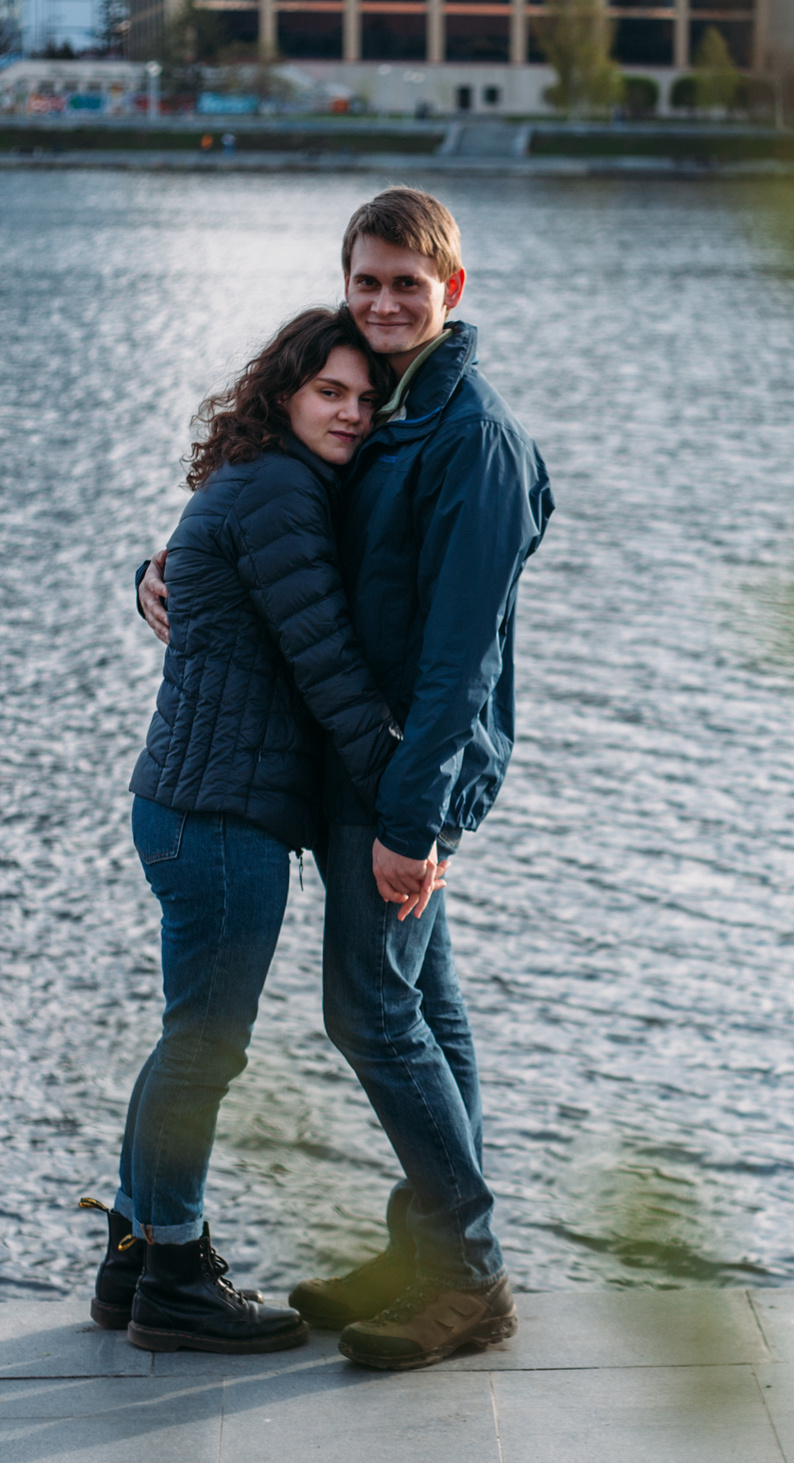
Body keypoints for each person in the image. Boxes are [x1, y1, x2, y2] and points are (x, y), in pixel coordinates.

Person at [139, 186, 552, 1371]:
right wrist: (156, 568)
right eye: (365, 279)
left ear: (450, 292)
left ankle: (468, 1275)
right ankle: (429, 1248)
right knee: (428, 1006)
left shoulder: (468, 435)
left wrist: (413, 821)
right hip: (360, 762)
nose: (380, 302)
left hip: (398, 774)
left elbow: (462, 655)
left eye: (404, 285)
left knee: (369, 1010)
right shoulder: (389, 410)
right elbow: (270, 526)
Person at [92, 305, 437, 1356]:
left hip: (187, 805)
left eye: (364, 398)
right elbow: (329, 669)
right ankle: (178, 1274)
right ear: (284, 391)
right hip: (222, 817)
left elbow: (192, 580)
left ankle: (134, 1256)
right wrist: (408, 814)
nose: (349, 410)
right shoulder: (283, 491)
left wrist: (140, 574)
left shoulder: (252, 481)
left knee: (187, 1039)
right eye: (328, 390)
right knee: (205, 1046)